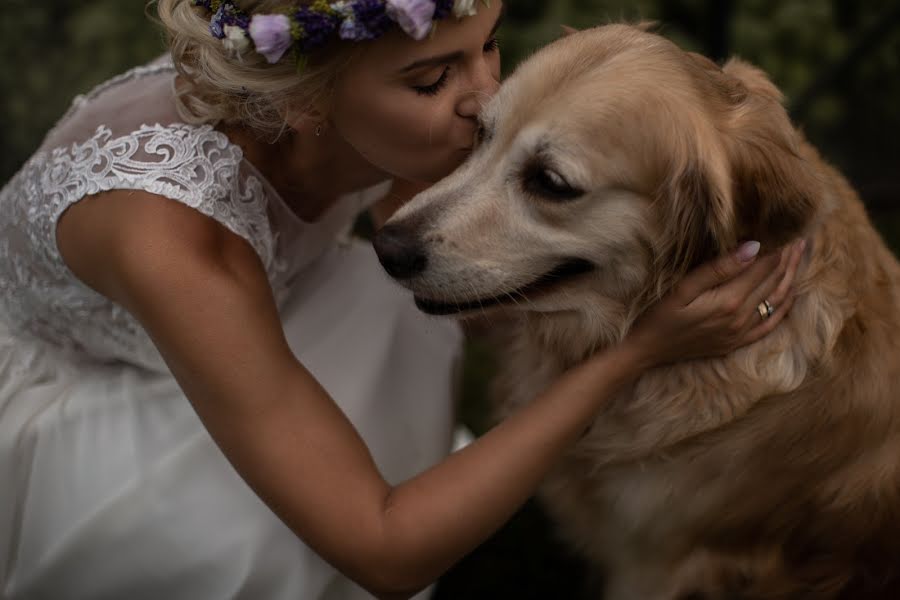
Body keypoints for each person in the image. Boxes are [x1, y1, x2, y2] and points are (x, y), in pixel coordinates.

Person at [0, 1, 805, 598]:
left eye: (487, 45)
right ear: (302, 102)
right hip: (98, 378)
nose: (486, 96)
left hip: (266, 303)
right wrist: (635, 356)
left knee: (402, 317)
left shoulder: (385, 117)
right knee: (252, 551)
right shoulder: (176, 241)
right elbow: (385, 552)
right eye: (432, 79)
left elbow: (455, 247)